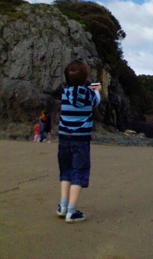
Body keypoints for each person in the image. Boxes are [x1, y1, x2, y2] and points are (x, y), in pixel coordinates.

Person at [56, 60, 101, 223]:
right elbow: (96, 101)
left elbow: (76, 93)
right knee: (78, 173)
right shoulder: (89, 95)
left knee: (66, 171)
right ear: (85, 79)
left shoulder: (65, 93)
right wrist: (96, 91)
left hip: (63, 139)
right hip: (81, 141)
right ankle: (72, 211)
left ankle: (63, 205)